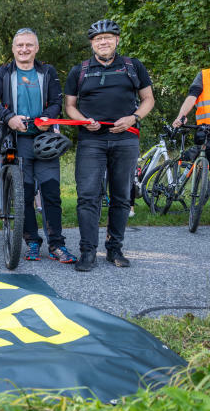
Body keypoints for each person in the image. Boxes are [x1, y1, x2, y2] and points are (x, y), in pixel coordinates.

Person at [64, 19, 155, 271]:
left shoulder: (132, 66)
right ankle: (88, 251)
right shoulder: (79, 71)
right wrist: (83, 121)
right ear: (92, 43)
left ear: (116, 40)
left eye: (108, 37)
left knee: (122, 197)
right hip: (91, 140)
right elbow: (70, 106)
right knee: (87, 197)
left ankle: (115, 248)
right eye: (97, 38)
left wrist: (134, 118)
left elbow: (148, 99)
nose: (103, 42)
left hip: (125, 138)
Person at [0, 28, 76, 264]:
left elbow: (57, 102)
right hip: (17, 141)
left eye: (29, 45)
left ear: (37, 48)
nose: (24, 49)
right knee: (23, 194)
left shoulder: (47, 71)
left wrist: (47, 118)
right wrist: (8, 117)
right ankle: (32, 241)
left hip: (45, 141)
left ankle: (57, 244)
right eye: (20, 45)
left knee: (51, 193)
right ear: (13, 48)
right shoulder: (3, 72)